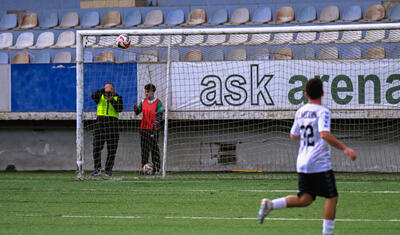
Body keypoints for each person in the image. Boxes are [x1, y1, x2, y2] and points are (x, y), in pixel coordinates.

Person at [257, 78, 357, 235]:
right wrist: (345, 148)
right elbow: (324, 134)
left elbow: (293, 135)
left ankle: (271, 204)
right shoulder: (323, 111)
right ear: (323, 93)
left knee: (306, 199)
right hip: (319, 162)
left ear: (305, 94)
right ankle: (328, 234)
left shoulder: (300, 111)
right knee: (332, 197)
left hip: (302, 161)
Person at [91, 82, 123, 177]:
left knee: (112, 149)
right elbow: (93, 96)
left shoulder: (118, 97)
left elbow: (119, 109)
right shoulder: (100, 96)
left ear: (114, 89)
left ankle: (108, 169)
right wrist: (104, 90)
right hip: (100, 124)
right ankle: (97, 168)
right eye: (106, 88)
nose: (108, 91)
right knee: (96, 147)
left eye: (110, 89)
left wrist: (111, 99)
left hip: (113, 125)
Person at [133, 83, 163, 174]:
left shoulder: (158, 102)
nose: (146, 94)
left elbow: (160, 115)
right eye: (145, 92)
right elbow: (138, 112)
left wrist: (156, 124)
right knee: (144, 149)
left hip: (153, 129)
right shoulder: (143, 101)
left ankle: (157, 168)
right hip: (144, 128)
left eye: (148, 92)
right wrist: (135, 109)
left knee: (154, 149)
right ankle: (144, 168)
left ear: (152, 92)